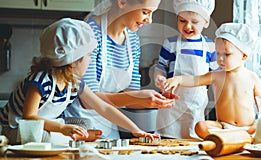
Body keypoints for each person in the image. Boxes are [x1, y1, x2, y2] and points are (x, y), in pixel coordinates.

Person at [64, 0, 177, 139]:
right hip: (78, 130)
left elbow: (130, 93)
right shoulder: (89, 33)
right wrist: (137, 97)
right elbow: (88, 100)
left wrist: (156, 99)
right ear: (122, 2)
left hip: (109, 131)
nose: (150, 20)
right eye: (146, 12)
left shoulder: (132, 39)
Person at [0, 18, 160, 145]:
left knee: (84, 123)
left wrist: (136, 130)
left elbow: (103, 107)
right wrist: (62, 128)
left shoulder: (74, 82)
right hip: (16, 128)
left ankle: (76, 137)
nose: (90, 61)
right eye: (89, 55)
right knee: (42, 136)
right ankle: (76, 139)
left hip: (46, 124)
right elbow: (29, 118)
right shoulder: (42, 80)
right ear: (72, 60)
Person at [162, 22, 261, 139]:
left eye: (226, 54)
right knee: (200, 126)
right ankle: (233, 138)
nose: (220, 58)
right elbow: (195, 80)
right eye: (218, 53)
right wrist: (178, 79)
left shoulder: (252, 77)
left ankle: (237, 137)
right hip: (223, 127)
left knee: (259, 127)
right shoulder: (217, 76)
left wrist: (259, 123)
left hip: (248, 127)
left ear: (244, 56)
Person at [154, 0, 219, 139]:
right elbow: (160, 68)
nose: (188, 26)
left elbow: (216, 79)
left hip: (195, 107)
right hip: (171, 106)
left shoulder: (210, 47)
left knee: (193, 142)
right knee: (168, 144)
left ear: (206, 22)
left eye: (194, 22)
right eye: (182, 21)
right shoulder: (170, 43)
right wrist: (160, 78)